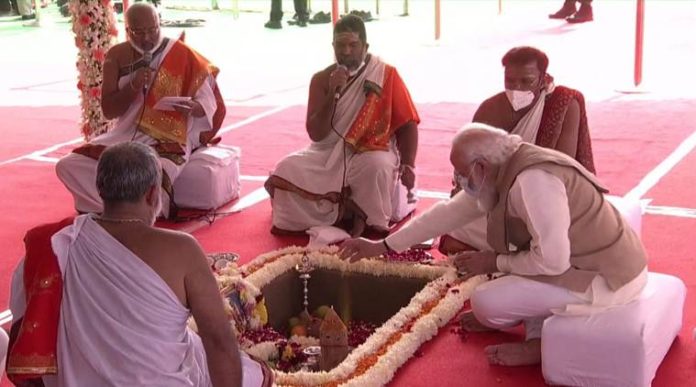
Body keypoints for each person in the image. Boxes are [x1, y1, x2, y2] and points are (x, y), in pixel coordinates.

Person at [341, 123, 648, 367]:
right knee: (501, 281)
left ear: (482, 166)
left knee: (487, 302)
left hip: (607, 278)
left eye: (462, 172)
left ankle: (542, 346)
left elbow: (553, 262)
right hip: (580, 263)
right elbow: (446, 214)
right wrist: (382, 245)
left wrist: (493, 262)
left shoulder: (534, 179)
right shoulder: (503, 167)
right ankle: (536, 330)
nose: (459, 180)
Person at [6, 142, 272, 386]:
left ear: (100, 189)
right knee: (245, 370)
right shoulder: (182, 249)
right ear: (152, 193)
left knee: (195, 347)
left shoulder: (59, 243)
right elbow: (219, 339)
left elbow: (27, 322)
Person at [56, 2, 226, 219]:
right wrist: (134, 85)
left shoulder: (181, 53)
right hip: (124, 135)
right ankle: (109, 212)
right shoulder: (116, 56)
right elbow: (109, 111)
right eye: (139, 32)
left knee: (158, 174)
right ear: (127, 30)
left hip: (170, 136)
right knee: (68, 166)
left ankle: (137, 217)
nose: (147, 38)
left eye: (152, 30)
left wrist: (194, 108)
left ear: (159, 24)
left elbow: (209, 103)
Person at [264, 15, 420, 237]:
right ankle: (344, 212)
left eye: (353, 45)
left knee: (377, 166)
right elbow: (316, 134)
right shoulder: (321, 79)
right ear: (333, 46)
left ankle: (366, 220)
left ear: (365, 47)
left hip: (372, 148)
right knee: (286, 168)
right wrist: (332, 93)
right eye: (340, 45)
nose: (346, 51)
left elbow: (407, 123)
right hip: (327, 152)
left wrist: (409, 164)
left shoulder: (385, 74)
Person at [439, 46, 595, 255]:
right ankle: (514, 253)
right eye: (510, 81)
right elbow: (471, 166)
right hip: (501, 200)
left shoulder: (565, 104)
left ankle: (514, 254)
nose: (517, 89)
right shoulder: (491, 108)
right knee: (455, 221)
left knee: (544, 229)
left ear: (542, 79)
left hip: (544, 196)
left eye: (526, 81)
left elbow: (561, 165)